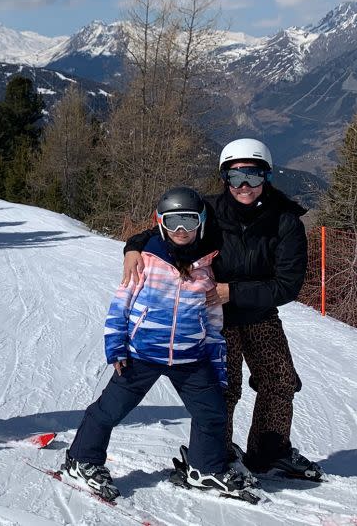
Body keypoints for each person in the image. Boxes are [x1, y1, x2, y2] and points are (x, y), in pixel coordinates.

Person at [121, 138, 323, 480]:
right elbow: (163, 232)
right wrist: (133, 248)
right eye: (235, 177)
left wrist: (234, 291)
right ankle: (215, 454)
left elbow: (288, 285)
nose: (245, 186)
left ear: (267, 177)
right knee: (222, 388)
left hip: (259, 314)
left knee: (280, 382)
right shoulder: (209, 212)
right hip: (215, 319)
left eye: (254, 176)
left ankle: (269, 452)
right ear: (224, 178)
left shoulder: (285, 221)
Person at [64, 187, 255, 502]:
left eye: (189, 222)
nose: (181, 230)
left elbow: (213, 323)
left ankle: (203, 468)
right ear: (160, 222)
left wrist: (217, 363)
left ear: (202, 223)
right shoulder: (146, 260)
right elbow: (120, 305)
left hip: (191, 359)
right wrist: (116, 346)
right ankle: (82, 460)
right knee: (109, 410)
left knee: (212, 413)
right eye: (173, 221)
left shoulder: (208, 265)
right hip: (142, 355)